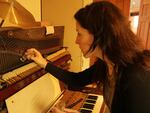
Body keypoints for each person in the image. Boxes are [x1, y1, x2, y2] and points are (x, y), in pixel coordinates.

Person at [25, 1, 150, 113]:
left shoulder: (136, 76)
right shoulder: (106, 64)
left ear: (100, 36)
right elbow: (76, 80)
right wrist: (43, 63)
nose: (76, 41)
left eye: (79, 34)